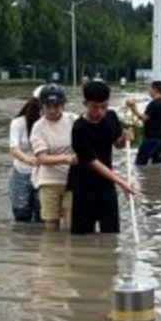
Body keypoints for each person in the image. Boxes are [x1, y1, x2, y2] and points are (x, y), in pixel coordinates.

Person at [68, 80, 136, 235]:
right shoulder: (79, 129)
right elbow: (92, 162)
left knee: (111, 234)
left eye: (103, 106)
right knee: (82, 236)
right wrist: (121, 182)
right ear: (85, 104)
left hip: (106, 185)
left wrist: (124, 138)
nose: (99, 112)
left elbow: (117, 143)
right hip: (84, 187)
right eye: (94, 107)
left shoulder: (111, 117)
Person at [30, 83, 77, 230]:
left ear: (62, 105)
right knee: (51, 225)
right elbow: (42, 158)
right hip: (48, 181)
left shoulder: (73, 120)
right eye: (47, 106)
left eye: (56, 106)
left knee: (70, 225)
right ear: (41, 106)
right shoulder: (38, 127)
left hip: (72, 179)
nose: (52, 110)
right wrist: (67, 159)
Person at [8, 87, 43, 222]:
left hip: (43, 174)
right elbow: (14, 148)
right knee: (21, 214)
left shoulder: (50, 123)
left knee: (43, 216)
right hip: (21, 172)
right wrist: (29, 160)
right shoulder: (18, 123)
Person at [125, 80, 161, 166]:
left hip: (150, 138)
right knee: (157, 164)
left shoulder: (153, 104)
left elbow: (144, 118)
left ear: (155, 90)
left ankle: (141, 175)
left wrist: (134, 109)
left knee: (139, 163)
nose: (149, 91)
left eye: (150, 89)